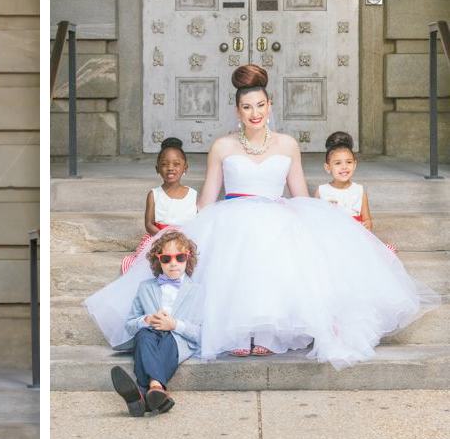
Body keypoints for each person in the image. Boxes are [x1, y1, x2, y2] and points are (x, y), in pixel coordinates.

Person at [87, 64, 438, 369]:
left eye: (260, 105)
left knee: (277, 251)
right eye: (246, 107)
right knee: (237, 257)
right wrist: (192, 230)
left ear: (270, 106)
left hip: (275, 210)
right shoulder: (223, 146)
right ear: (237, 110)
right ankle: (240, 332)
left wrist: (308, 221)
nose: (254, 113)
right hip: (232, 214)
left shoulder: (287, 144)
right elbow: (208, 198)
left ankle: (268, 333)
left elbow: (299, 193)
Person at [110, 228, 203, 417]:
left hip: (177, 339)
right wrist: (146, 319)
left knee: (168, 340)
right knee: (144, 336)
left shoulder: (198, 292)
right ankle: (157, 390)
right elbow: (130, 323)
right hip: (149, 336)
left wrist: (175, 325)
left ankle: (143, 392)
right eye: (166, 259)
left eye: (180, 257)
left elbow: (202, 332)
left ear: (188, 257)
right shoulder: (145, 287)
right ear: (158, 260)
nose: (173, 263)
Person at [120, 137, 197, 274]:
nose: (170, 168)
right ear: (157, 168)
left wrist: (181, 240)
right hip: (159, 238)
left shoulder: (193, 195)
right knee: (148, 264)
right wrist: (164, 237)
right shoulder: (154, 194)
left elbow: (198, 221)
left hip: (185, 240)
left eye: (176, 164)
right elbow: (149, 224)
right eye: (164, 164)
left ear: (185, 167)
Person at [316, 131, 397, 253]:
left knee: (378, 250)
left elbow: (367, 219)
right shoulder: (322, 191)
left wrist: (367, 225)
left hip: (356, 236)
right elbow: (316, 220)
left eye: (348, 162)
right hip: (333, 236)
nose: (344, 167)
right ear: (328, 167)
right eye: (338, 163)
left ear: (354, 165)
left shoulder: (359, 190)